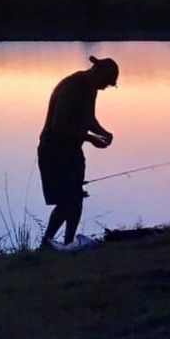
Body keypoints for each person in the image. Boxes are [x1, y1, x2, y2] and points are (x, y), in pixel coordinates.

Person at [37, 56, 119, 247]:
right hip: (53, 151)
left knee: (76, 199)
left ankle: (68, 244)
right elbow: (59, 126)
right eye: (105, 82)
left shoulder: (91, 88)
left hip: (73, 150)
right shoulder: (71, 88)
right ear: (96, 71)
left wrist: (103, 132)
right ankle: (46, 244)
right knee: (67, 200)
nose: (105, 87)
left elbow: (89, 119)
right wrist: (89, 138)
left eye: (109, 84)